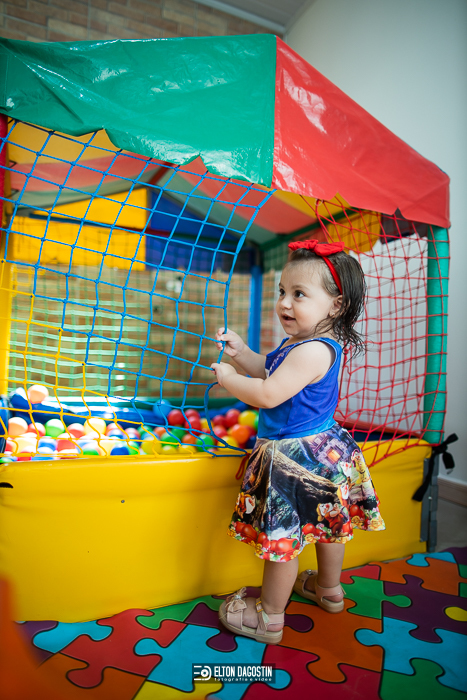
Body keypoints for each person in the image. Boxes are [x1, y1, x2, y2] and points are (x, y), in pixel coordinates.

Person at [210, 238, 386, 645]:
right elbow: (268, 370)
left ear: (336, 305)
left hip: (297, 459)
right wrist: (242, 354)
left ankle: (269, 617)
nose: (285, 303)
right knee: (330, 528)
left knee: (284, 541)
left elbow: (269, 393)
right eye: (282, 292)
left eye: (299, 294)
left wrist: (230, 380)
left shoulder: (312, 352)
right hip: (325, 452)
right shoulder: (302, 344)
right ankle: (329, 589)